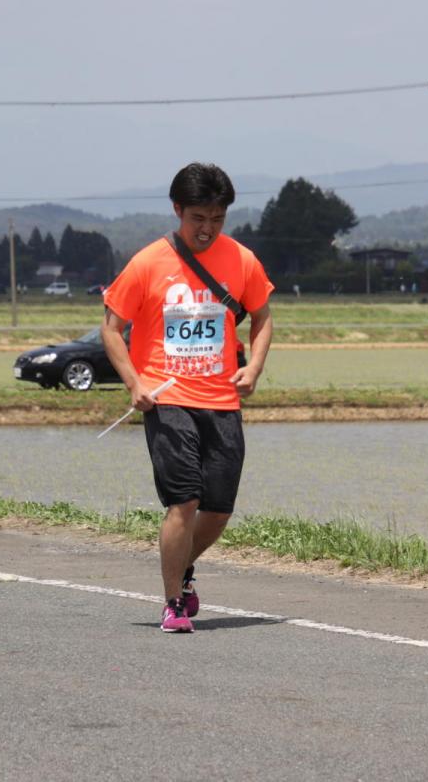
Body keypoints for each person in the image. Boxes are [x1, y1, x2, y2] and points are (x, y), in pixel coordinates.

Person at [101, 163, 273, 634]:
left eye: (217, 218)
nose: (207, 228)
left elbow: (262, 317)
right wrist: (134, 383)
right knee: (185, 499)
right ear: (178, 210)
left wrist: (253, 367)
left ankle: (182, 566)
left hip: (221, 400)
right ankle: (172, 601)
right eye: (198, 217)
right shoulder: (147, 263)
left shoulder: (242, 261)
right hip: (165, 396)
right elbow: (112, 329)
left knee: (218, 508)